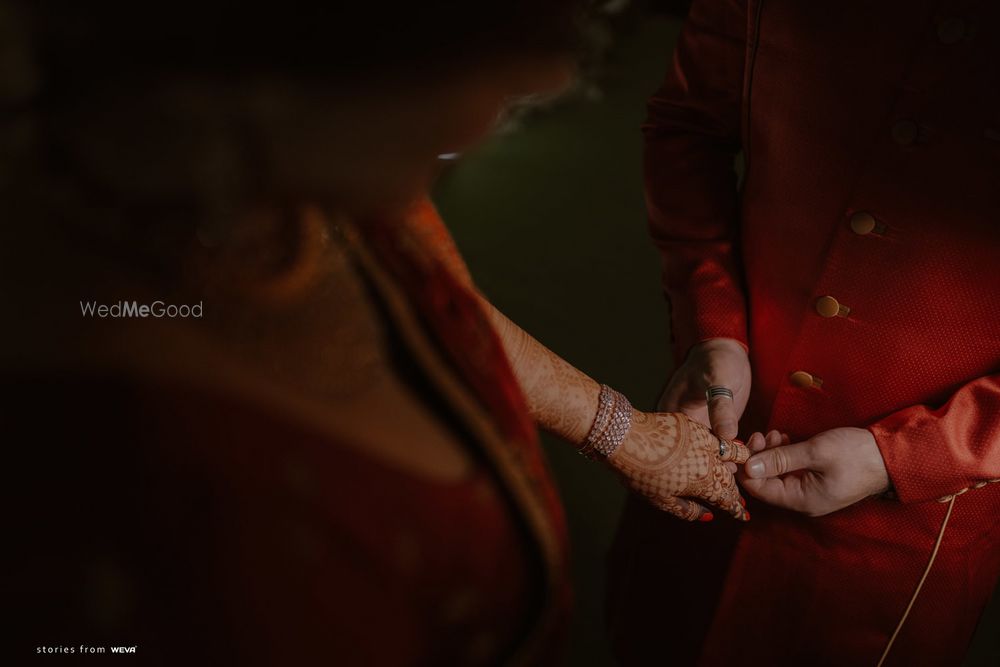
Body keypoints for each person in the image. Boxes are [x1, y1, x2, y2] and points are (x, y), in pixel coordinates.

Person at [0, 1, 749, 664]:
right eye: (484, 36)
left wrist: (623, 432)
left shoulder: (292, 192)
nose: (549, 76)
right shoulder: (154, 509)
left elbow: (433, 299)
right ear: (268, 59)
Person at [607, 0, 1000, 665]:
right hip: (708, 430)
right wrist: (716, 328)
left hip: (910, 536)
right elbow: (687, 125)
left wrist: (913, 456)